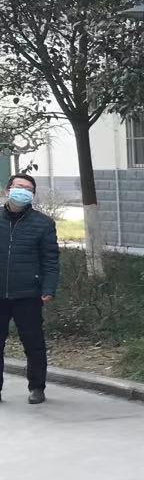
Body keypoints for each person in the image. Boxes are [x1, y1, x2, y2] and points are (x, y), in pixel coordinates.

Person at [1, 173, 60, 405]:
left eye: (28, 189)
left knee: (34, 344)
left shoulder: (43, 223)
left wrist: (49, 288)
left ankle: (37, 387)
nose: (22, 191)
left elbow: (50, 259)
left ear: (33, 195)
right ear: (7, 190)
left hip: (28, 293)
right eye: (18, 186)